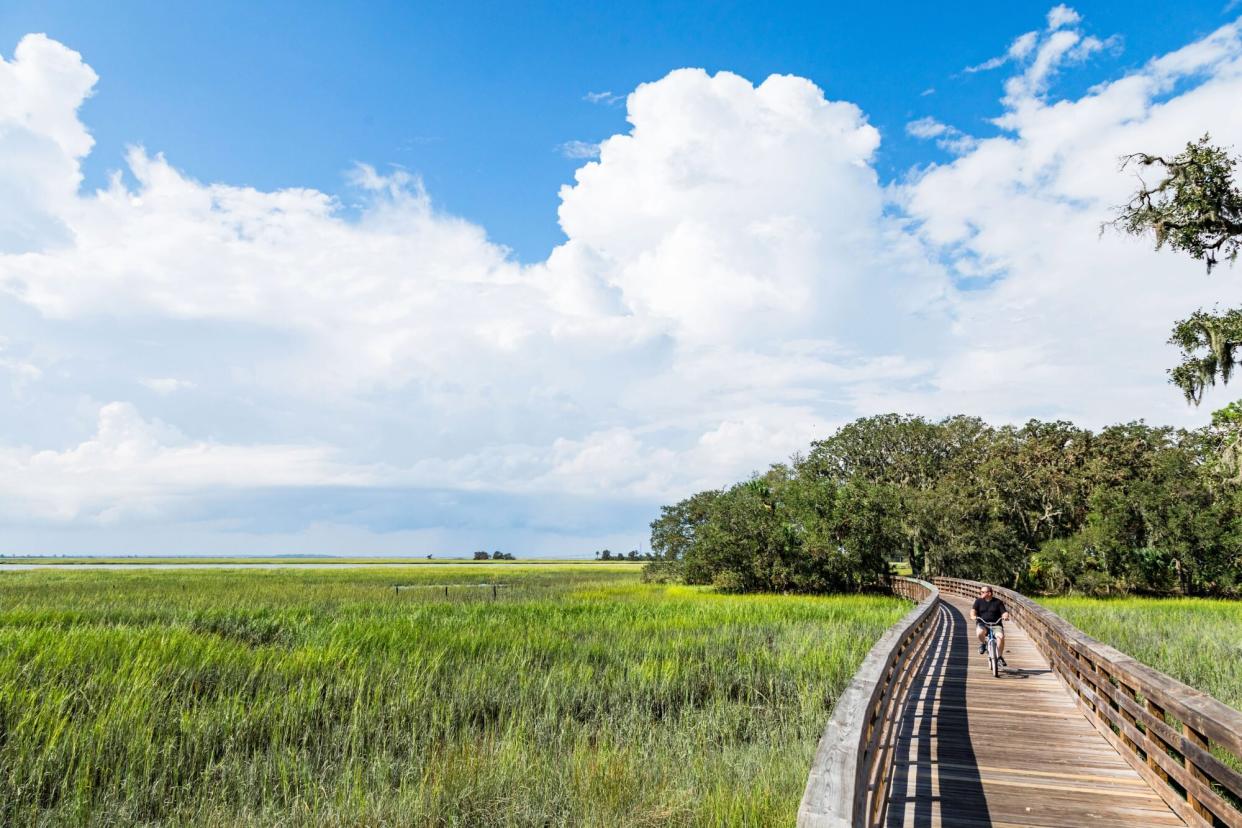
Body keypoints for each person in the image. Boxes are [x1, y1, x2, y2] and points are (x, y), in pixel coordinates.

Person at [970, 584, 1011, 667]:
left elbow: (1004, 612)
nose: (981, 593)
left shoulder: (998, 602)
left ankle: (999, 656)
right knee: (980, 633)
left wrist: (1005, 616)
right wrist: (973, 616)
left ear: (989, 593)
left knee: (1000, 637)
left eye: (983, 592)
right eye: (980, 592)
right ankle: (984, 643)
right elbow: (973, 610)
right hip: (983, 623)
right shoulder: (978, 601)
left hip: (996, 624)